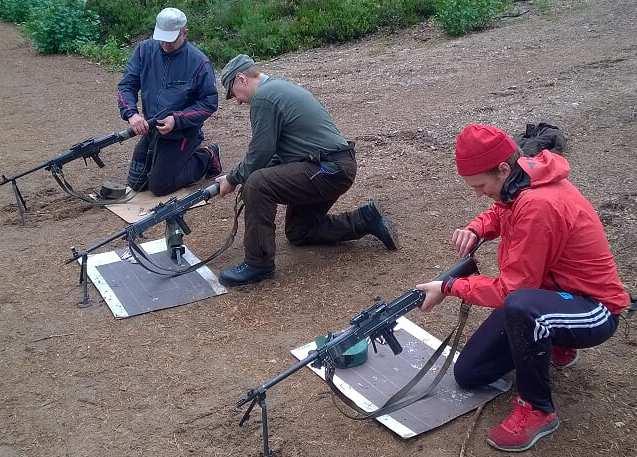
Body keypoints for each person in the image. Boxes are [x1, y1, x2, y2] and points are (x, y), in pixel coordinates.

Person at [416, 124, 629, 452]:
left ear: (503, 169)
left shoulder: (538, 204)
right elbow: (501, 211)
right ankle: (552, 340)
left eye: (480, 185)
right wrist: (477, 228)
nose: (478, 193)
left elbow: (510, 290)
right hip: (550, 294)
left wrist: (449, 286)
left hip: (594, 308)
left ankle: (538, 409)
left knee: (520, 307)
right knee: (470, 373)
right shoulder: (521, 178)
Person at [214, 54, 399, 287]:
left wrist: (233, 179)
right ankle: (366, 219)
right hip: (333, 167)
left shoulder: (264, 98)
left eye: (233, 94)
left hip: (327, 168)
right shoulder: (278, 88)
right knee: (300, 232)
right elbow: (274, 153)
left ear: (241, 79)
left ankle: (258, 264)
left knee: (257, 183)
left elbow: (260, 154)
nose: (237, 101)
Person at [117, 7, 222, 197]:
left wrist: (177, 119)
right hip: (152, 129)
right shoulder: (144, 50)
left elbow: (209, 103)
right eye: (162, 37)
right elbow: (126, 85)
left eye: (171, 39)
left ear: (185, 33)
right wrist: (131, 114)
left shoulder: (199, 62)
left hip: (182, 133)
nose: (165, 43)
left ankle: (207, 155)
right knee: (137, 184)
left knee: (159, 186)